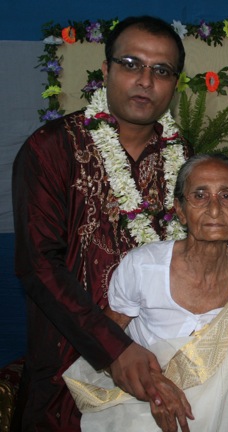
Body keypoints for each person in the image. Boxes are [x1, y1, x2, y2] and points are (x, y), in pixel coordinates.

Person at [12, 15, 193, 430]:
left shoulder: (182, 155)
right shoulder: (52, 148)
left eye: (161, 70)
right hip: (70, 361)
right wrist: (113, 348)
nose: (145, 80)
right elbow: (39, 266)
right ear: (107, 69)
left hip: (162, 366)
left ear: (174, 84)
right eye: (131, 64)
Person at [62, 153, 228, 432]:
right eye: (199, 196)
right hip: (150, 416)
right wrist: (152, 387)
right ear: (179, 209)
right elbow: (102, 343)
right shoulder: (144, 267)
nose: (214, 209)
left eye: (227, 196)